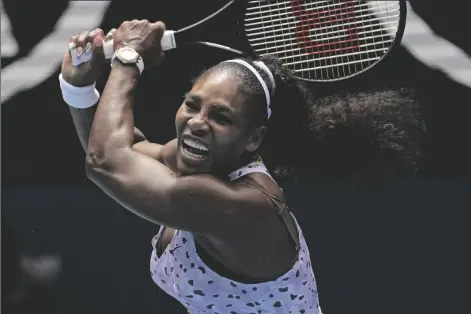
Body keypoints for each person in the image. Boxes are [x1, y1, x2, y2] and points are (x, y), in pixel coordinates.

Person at [59, 20, 425, 314]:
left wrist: (128, 57)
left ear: (253, 139)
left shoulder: (243, 207)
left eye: (221, 116)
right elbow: (128, 149)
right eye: (192, 104)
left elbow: (106, 161)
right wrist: (80, 86)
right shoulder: (203, 162)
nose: (197, 122)